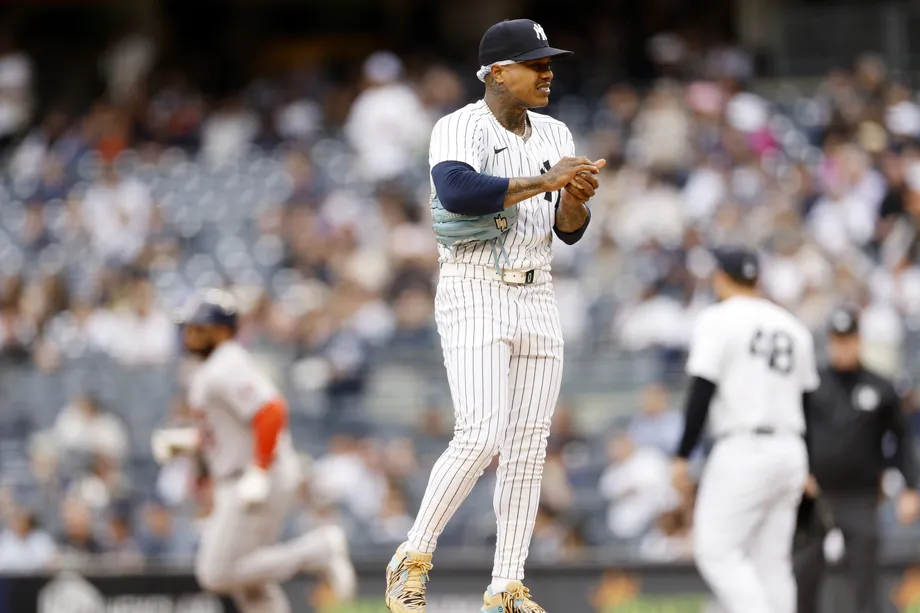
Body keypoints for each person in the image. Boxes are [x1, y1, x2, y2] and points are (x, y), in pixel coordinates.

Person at [385, 18, 604, 613]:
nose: (549, 72)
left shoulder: (554, 130)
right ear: (499, 72)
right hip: (475, 284)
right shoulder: (457, 126)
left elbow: (568, 232)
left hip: (537, 288)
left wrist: (574, 201)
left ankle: (506, 585)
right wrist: (548, 180)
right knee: (481, 434)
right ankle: (414, 554)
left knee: (530, 447)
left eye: (549, 62)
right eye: (537, 64)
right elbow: (456, 192)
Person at [151, 289, 355, 613]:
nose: (189, 335)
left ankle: (318, 549)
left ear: (221, 330)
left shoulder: (225, 362)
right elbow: (226, 434)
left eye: (198, 327)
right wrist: (184, 442)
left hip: (257, 477)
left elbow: (271, 411)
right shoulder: (211, 368)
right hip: (247, 473)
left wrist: (258, 470)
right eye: (188, 327)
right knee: (251, 583)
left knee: (216, 572)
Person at [671, 248, 819, 613]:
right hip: (791, 450)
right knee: (774, 563)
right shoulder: (792, 325)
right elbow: (810, 405)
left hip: (744, 448)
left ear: (721, 276)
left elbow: (701, 391)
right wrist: (810, 464)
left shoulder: (718, 318)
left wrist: (682, 455)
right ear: (758, 279)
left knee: (716, 551)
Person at [794, 307, 920, 613]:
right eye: (837, 340)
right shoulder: (812, 385)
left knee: (864, 578)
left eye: (848, 339)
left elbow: (900, 439)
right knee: (805, 575)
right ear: (830, 342)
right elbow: (797, 431)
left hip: (859, 497)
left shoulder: (880, 386)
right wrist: (800, 471)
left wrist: (910, 488)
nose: (843, 346)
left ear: (858, 340)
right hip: (814, 496)